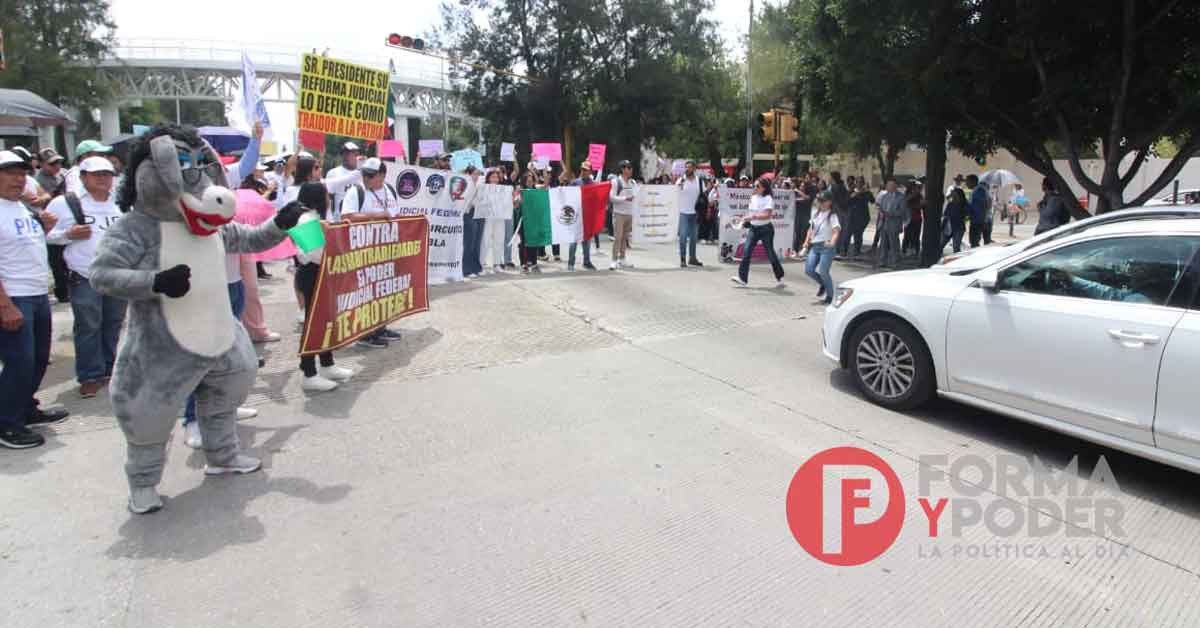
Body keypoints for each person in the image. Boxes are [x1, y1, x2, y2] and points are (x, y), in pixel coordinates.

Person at [0, 151, 70, 449]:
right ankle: (7, 424)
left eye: (21, 173)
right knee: (20, 362)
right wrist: (5, 305)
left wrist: (46, 227)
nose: (18, 179)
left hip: (38, 293)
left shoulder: (22, 209)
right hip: (14, 296)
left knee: (39, 358)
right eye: (9, 173)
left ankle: (24, 408)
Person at [45, 156, 127, 398]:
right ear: (83, 177)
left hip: (116, 274)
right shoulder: (64, 203)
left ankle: (109, 368)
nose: (103, 178)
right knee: (88, 325)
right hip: (84, 274)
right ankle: (90, 375)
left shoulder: (121, 202)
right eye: (96, 174)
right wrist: (68, 234)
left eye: (107, 174)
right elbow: (45, 235)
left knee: (112, 323)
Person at [293, 182, 355, 392]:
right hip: (311, 274)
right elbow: (317, 254)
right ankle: (308, 372)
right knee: (313, 323)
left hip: (320, 273)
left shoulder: (314, 219)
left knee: (325, 320)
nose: (329, 199)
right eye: (326, 196)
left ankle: (327, 363)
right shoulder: (307, 220)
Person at [340, 158, 403, 348]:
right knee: (366, 291)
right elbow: (347, 216)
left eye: (370, 175)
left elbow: (395, 214)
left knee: (384, 289)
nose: (366, 178)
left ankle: (380, 327)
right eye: (364, 175)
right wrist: (377, 216)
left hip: (386, 250)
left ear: (383, 176)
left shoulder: (390, 190)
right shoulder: (356, 191)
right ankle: (365, 333)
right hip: (365, 252)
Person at [730, 177, 785, 288]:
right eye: (753, 185)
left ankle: (780, 278)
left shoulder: (768, 198)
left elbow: (767, 215)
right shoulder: (753, 197)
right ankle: (743, 279)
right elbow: (750, 213)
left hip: (766, 229)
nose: (754, 188)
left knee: (770, 254)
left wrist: (753, 216)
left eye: (757, 186)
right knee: (746, 253)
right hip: (754, 229)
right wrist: (744, 220)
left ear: (764, 188)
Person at [802, 190, 840, 304]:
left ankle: (830, 295)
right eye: (819, 201)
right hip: (815, 245)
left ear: (830, 202)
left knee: (824, 271)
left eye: (823, 201)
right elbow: (811, 229)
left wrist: (832, 242)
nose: (821, 203)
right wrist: (806, 242)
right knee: (809, 270)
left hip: (826, 247)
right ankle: (823, 284)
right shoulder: (815, 213)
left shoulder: (832, 215)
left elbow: (836, 231)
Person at [567, 161, 598, 271]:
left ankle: (587, 262)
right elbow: (567, 196)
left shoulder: (594, 185)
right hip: (576, 216)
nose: (583, 171)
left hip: (587, 217)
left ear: (590, 171)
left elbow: (596, 200)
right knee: (573, 241)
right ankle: (570, 263)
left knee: (587, 241)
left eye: (585, 169)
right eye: (582, 169)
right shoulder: (575, 183)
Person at [675, 160, 704, 268]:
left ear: (694, 169)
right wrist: (680, 183)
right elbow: (675, 192)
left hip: (695, 213)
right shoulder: (681, 180)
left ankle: (692, 258)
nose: (687, 169)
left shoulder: (699, 180)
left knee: (693, 237)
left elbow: (703, 194)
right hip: (683, 212)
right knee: (682, 237)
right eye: (686, 167)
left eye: (690, 167)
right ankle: (683, 259)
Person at [609, 160, 638, 269]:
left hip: (629, 213)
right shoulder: (616, 182)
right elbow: (611, 197)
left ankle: (622, 259)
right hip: (619, 213)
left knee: (624, 238)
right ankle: (614, 260)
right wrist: (625, 198)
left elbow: (636, 195)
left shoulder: (633, 182)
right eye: (628, 168)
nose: (631, 170)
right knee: (618, 237)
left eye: (631, 167)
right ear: (622, 169)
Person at [877, 177, 906, 268]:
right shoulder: (885, 196)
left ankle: (895, 262)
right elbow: (881, 207)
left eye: (890, 185)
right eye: (887, 185)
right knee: (883, 243)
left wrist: (890, 214)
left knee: (894, 244)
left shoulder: (901, 197)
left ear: (895, 186)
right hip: (884, 222)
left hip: (894, 223)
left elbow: (902, 211)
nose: (888, 187)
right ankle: (882, 261)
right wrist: (881, 213)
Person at [325, 141, 361, 213]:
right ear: (343, 156)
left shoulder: (364, 173)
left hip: (359, 217)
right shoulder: (333, 173)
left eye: (356, 153)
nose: (355, 156)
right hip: (340, 218)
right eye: (345, 153)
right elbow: (328, 198)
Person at [846, 181, 874, 257]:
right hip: (852, 217)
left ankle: (857, 251)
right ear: (855, 183)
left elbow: (872, 201)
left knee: (858, 234)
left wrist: (868, 192)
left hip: (863, 217)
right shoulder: (851, 192)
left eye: (861, 182)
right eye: (858, 182)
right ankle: (844, 251)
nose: (860, 184)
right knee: (848, 234)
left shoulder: (867, 193)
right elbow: (847, 202)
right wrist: (853, 195)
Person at [966, 174, 991, 247]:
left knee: (974, 242)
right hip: (979, 219)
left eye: (967, 181)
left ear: (973, 181)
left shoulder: (979, 191)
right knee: (977, 242)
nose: (966, 183)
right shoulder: (978, 190)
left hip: (979, 220)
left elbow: (984, 204)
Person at [942, 188, 968, 253]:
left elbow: (969, 213)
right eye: (953, 195)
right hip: (948, 228)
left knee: (956, 247)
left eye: (955, 194)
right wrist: (942, 226)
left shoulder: (964, 204)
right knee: (941, 244)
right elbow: (945, 215)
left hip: (958, 228)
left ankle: (957, 261)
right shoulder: (950, 204)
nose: (953, 196)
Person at [902, 182, 924, 258]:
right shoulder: (907, 194)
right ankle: (905, 250)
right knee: (907, 235)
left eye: (919, 188)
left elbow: (921, 205)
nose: (919, 189)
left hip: (917, 218)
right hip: (908, 218)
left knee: (916, 236)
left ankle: (916, 251)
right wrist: (914, 195)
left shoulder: (920, 196)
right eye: (917, 187)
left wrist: (920, 204)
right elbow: (906, 202)